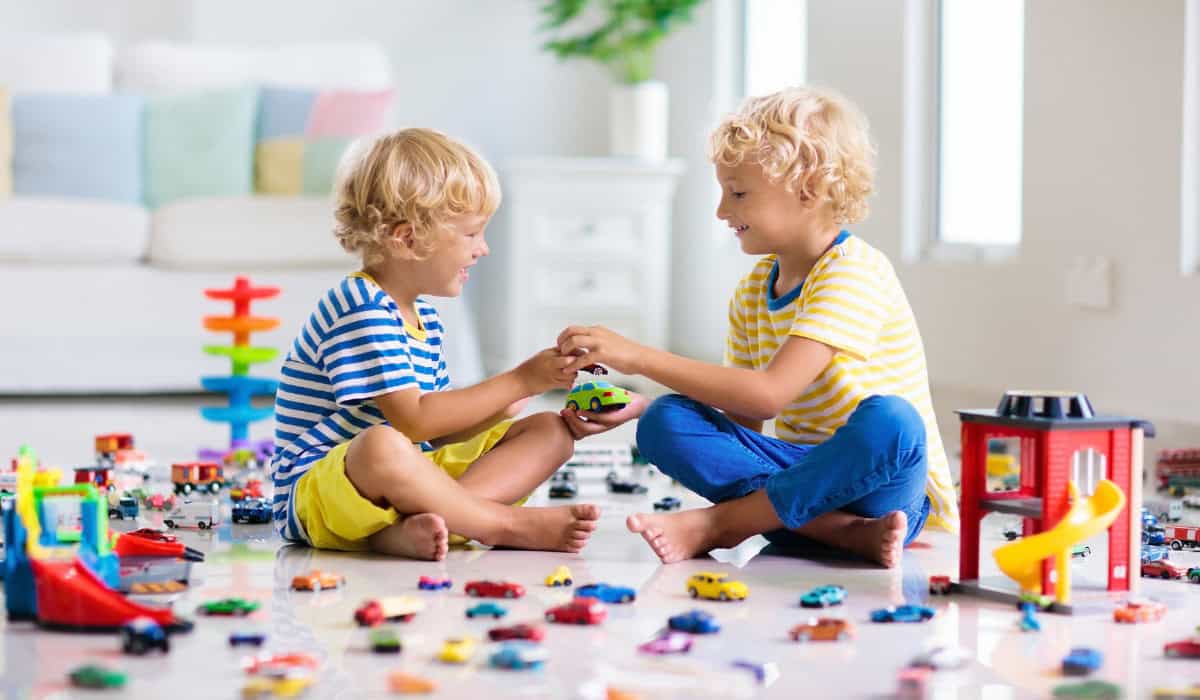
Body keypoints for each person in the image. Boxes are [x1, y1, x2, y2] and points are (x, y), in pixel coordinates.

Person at [557, 87, 958, 568]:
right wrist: (637, 402)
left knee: (893, 422)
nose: (722, 211)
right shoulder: (753, 290)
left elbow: (769, 394)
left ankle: (724, 524)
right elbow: (745, 421)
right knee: (666, 420)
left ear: (809, 189)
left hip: (884, 488)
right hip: (796, 475)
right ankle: (841, 534)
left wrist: (638, 356)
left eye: (739, 193)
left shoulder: (855, 271)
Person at [270, 128, 634, 559]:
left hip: (403, 476)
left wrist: (519, 397)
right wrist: (519, 380)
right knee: (381, 445)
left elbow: (438, 435)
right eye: (470, 234)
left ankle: (416, 528)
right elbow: (414, 423)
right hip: (319, 493)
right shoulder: (360, 305)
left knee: (549, 430)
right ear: (407, 239)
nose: (483, 250)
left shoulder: (423, 317)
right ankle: (500, 523)